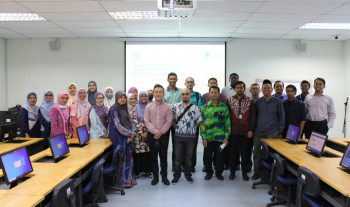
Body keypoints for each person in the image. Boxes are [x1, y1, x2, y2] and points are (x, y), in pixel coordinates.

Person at [252, 79, 285, 180]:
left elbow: (282, 116)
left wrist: (280, 131)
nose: (266, 90)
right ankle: (257, 172)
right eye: (264, 88)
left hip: (273, 132)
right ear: (261, 90)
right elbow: (254, 117)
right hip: (259, 132)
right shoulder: (257, 102)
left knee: (272, 154)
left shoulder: (277, 102)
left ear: (272, 90)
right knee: (256, 153)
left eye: (268, 88)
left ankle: (271, 173)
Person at [172, 88, 202, 184]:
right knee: (177, 158)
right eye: (183, 94)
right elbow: (172, 120)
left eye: (187, 94)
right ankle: (176, 176)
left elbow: (198, 120)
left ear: (189, 95)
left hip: (191, 137)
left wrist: (191, 129)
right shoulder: (175, 107)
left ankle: (188, 176)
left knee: (189, 158)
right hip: (178, 137)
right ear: (180, 95)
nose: (185, 95)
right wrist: (177, 128)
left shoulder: (195, 107)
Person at [144, 84, 173, 186]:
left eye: (160, 92)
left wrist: (160, 132)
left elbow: (169, 121)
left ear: (163, 94)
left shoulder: (168, 107)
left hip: (164, 135)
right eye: (156, 92)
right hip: (152, 135)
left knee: (163, 157)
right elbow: (146, 121)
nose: (158, 94)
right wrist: (155, 132)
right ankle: (155, 177)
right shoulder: (148, 107)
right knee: (153, 157)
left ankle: (164, 177)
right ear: (153, 93)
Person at [227, 81, 255, 181]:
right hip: (233, 132)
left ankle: (244, 172)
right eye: (237, 87)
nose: (239, 89)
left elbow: (252, 117)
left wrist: (251, 130)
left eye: (241, 87)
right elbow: (227, 117)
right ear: (234, 89)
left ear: (244, 89)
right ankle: (232, 172)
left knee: (245, 153)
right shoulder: (229, 100)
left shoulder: (250, 100)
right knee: (233, 153)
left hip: (245, 132)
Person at [201, 86, 231, 181]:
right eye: (212, 92)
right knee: (207, 157)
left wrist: (226, 137)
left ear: (218, 94)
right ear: (209, 94)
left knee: (220, 156)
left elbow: (227, 123)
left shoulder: (224, 107)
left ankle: (219, 173)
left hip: (221, 138)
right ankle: (209, 173)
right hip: (208, 138)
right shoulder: (204, 108)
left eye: (215, 92)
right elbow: (202, 124)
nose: (213, 94)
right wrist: (203, 138)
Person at [108, 91, 137, 188]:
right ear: (117, 98)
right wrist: (130, 133)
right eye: (121, 97)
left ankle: (129, 180)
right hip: (119, 137)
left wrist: (133, 132)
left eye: (124, 97)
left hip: (127, 138)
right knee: (122, 158)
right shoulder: (113, 109)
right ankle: (121, 181)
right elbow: (117, 125)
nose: (123, 99)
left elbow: (131, 121)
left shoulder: (125, 109)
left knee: (128, 158)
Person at [163, 72, 182, 171]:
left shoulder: (180, 91)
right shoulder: (163, 92)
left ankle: (176, 166)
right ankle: (164, 167)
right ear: (168, 80)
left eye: (174, 79)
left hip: (177, 121)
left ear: (176, 80)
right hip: (165, 122)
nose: (172, 80)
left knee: (177, 145)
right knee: (164, 145)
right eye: (171, 79)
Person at [184, 77, 203, 172]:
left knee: (193, 146)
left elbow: (199, 109)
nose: (190, 84)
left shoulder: (198, 95)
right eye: (188, 82)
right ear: (185, 84)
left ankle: (192, 166)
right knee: (183, 146)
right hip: (183, 126)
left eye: (191, 82)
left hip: (195, 125)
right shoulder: (183, 95)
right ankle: (184, 165)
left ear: (194, 84)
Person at [132, 91, 152, 178]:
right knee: (138, 154)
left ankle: (148, 171)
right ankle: (137, 172)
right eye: (142, 96)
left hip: (148, 133)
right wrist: (141, 132)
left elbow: (152, 120)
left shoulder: (151, 107)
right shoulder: (135, 107)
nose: (143, 98)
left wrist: (147, 132)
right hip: (137, 135)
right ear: (139, 97)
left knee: (148, 153)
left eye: (145, 96)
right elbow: (134, 120)